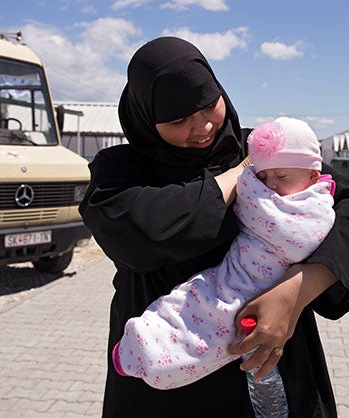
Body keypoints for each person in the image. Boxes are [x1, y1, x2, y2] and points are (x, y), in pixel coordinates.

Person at [78, 36, 349, 417]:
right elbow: (140, 231)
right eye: (178, 120)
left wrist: (297, 292)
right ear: (146, 116)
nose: (203, 126)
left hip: (269, 366)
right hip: (166, 376)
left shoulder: (265, 149)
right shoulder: (120, 172)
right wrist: (238, 175)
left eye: (209, 105)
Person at [112, 116, 337, 390]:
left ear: (313, 176)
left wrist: (245, 175)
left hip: (246, 291)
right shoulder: (116, 168)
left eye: (280, 177)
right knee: (189, 299)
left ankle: (151, 359)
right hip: (229, 276)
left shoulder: (314, 207)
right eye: (264, 177)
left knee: (213, 329)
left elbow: (293, 234)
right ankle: (140, 343)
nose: (270, 185)